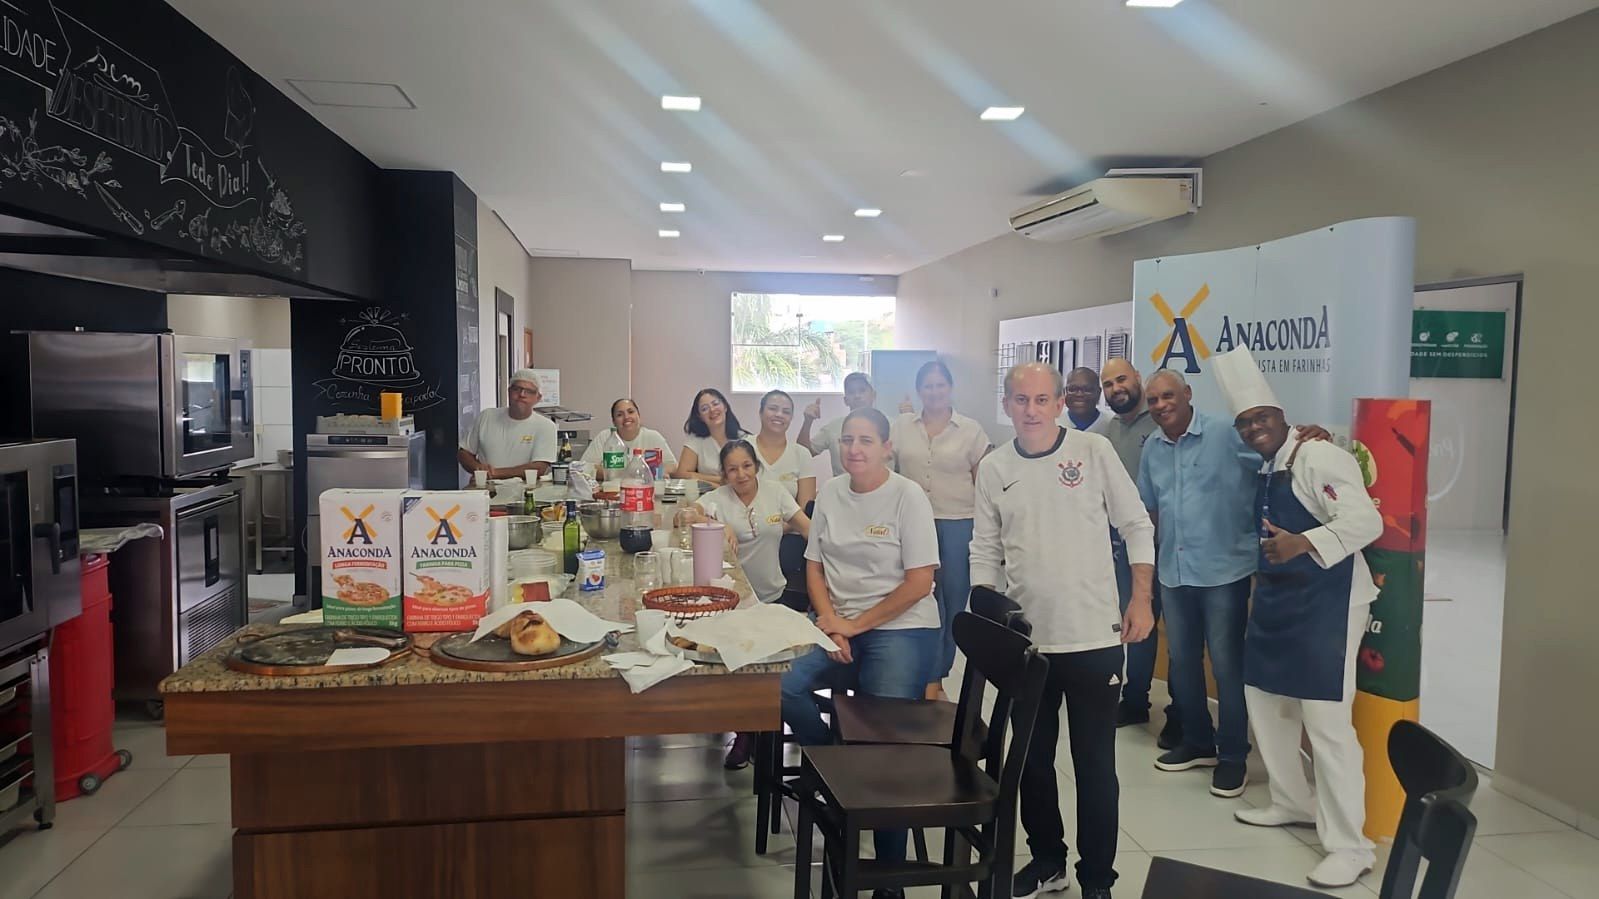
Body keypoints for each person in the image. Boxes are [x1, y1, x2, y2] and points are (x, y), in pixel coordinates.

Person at [971, 362, 1153, 899]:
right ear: (1007, 404)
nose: (1031, 410)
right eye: (1020, 400)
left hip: (1094, 638)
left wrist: (1141, 598)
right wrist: (986, 620)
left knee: (1095, 766)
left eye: (1041, 400)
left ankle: (1097, 878)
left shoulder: (1093, 452)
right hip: (1028, 645)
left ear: (1058, 404)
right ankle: (1048, 859)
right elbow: (985, 548)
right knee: (1031, 761)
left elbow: (1135, 524)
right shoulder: (994, 467)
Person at [1213, 347, 1381, 889]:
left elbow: (1366, 522)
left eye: (1262, 418)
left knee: (1327, 724)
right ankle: (1292, 800)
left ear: (1282, 416)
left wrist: (1304, 542)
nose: (1254, 428)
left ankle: (1350, 845)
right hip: (1280, 599)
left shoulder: (1318, 457)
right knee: (1264, 701)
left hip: (1329, 603)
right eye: (1245, 422)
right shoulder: (1271, 463)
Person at [780, 407, 941, 881]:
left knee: (881, 742)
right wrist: (832, 624)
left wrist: (854, 625)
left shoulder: (907, 496)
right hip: (839, 623)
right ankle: (831, 762)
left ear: (887, 448)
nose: (854, 449)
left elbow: (919, 583)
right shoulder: (831, 492)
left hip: (901, 626)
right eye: (848, 439)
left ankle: (888, 873)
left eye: (866, 440)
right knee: (783, 685)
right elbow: (814, 567)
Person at [1135, 368, 1257, 798]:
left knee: (1226, 666)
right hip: (1174, 569)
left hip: (1224, 569)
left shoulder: (1226, 433)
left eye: (1168, 396)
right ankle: (1198, 742)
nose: (1161, 405)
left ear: (1187, 394)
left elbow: (1273, 460)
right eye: (1153, 400)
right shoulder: (1153, 447)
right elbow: (1150, 509)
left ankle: (1233, 756)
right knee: (1182, 662)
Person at [679, 440, 811, 770]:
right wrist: (717, 523)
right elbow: (685, 514)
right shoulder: (718, 499)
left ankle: (767, 733)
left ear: (757, 466)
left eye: (747, 466)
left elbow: (807, 528)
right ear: (724, 475)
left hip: (773, 596)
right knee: (738, 671)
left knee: (769, 675)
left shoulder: (775, 492)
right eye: (733, 469)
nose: (741, 474)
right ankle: (745, 733)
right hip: (732, 602)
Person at [1089, 359, 1179, 745]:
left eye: (1121, 379)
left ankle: (1180, 711)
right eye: (1108, 384)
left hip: (1172, 544)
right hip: (1128, 547)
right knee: (1137, 623)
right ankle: (1136, 699)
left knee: (1179, 635)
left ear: (1137, 378)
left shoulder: (1160, 421)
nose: (1116, 389)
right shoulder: (1106, 432)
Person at [890, 360, 990, 700]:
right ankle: (916, 671)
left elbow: (983, 484)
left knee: (953, 601)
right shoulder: (901, 426)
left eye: (940, 385)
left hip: (959, 523)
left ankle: (937, 677)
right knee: (919, 597)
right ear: (919, 390)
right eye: (927, 386)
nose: (934, 392)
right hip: (912, 523)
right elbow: (889, 471)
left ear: (950, 388)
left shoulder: (971, 430)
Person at [457, 369, 558, 481]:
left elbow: (539, 468)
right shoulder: (486, 417)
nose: (522, 394)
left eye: (529, 391)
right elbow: (464, 452)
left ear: (538, 398)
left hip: (526, 489)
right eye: (517, 389)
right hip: (486, 487)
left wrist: (494, 473)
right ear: (509, 391)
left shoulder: (546, 426)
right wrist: (477, 468)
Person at [798, 371, 876, 478]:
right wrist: (807, 421)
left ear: (873, 395)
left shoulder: (891, 426)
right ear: (845, 400)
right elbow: (803, 454)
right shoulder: (834, 427)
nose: (857, 396)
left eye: (862, 390)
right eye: (851, 392)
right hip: (842, 488)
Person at [750, 389, 817, 508]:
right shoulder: (742, 448)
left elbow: (805, 508)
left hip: (791, 520)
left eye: (786, 412)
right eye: (773, 408)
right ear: (760, 412)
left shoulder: (801, 453)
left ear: (791, 418)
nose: (779, 415)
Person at [580, 398, 678, 478]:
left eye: (631, 412)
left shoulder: (653, 436)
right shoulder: (604, 437)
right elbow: (584, 468)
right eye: (620, 415)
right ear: (614, 421)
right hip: (611, 489)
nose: (626, 417)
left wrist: (655, 472)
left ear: (639, 416)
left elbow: (673, 466)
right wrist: (623, 474)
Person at [673, 387, 750, 486]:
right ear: (700, 417)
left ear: (725, 407)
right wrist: (719, 480)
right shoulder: (696, 440)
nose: (712, 410)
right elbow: (682, 474)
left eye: (715, 404)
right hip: (707, 493)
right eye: (705, 409)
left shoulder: (744, 439)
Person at [1064, 366, 1103, 431]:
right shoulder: (1052, 424)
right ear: (1065, 392)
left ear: (1098, 393)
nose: (1079, 394)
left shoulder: (1112, 425)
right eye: (1073, 389)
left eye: (1087, 389)